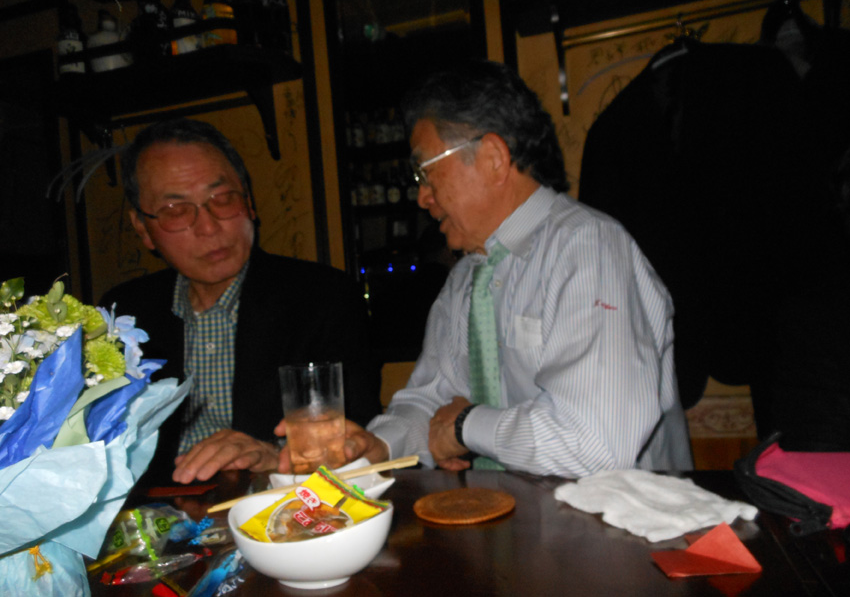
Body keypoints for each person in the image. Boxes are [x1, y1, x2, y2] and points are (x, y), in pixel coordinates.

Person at [291, 60, 693, 476]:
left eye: (424, 172)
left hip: (622, 513)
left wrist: (467, 425)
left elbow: (596, 442)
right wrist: (379, 445)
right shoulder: (465, 278)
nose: (422, 197)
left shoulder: (589, 249)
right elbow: (430, 400)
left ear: (493, 158)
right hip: (517, 511)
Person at [101, 118, 381, 484]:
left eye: (222, 199)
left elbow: (356, 441)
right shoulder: (124, 315)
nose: (208, 227)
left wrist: (274, 456)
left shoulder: (323, 298)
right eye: (176, 210)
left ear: (248, 202)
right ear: (143, 228)